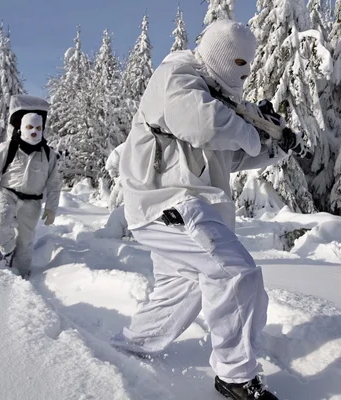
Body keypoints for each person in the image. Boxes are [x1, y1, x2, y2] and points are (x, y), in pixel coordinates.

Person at [112, 20, 298, 400]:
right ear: (219, 57)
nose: (243, 73)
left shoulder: (214, 94)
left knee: (182, 289)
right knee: (235, 274)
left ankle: (123, 350)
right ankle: (235, 374)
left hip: (179, 205)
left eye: (248, 65)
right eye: (237, 63)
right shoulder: (176, 74)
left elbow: (227, 155)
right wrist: (253, 131)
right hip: (167, 201)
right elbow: (202, 123)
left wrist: (276, 147)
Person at [0, 94, 62, 279]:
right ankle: (6, 253)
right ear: (21, 128)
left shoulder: (48, 154)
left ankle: (21, 277)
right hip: (7, 194)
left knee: (26, 242)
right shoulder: (8, 148)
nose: (34, 131)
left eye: (38, 128)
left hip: (33, 202)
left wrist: (51, 208)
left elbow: (54, 183)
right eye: (29, 127)